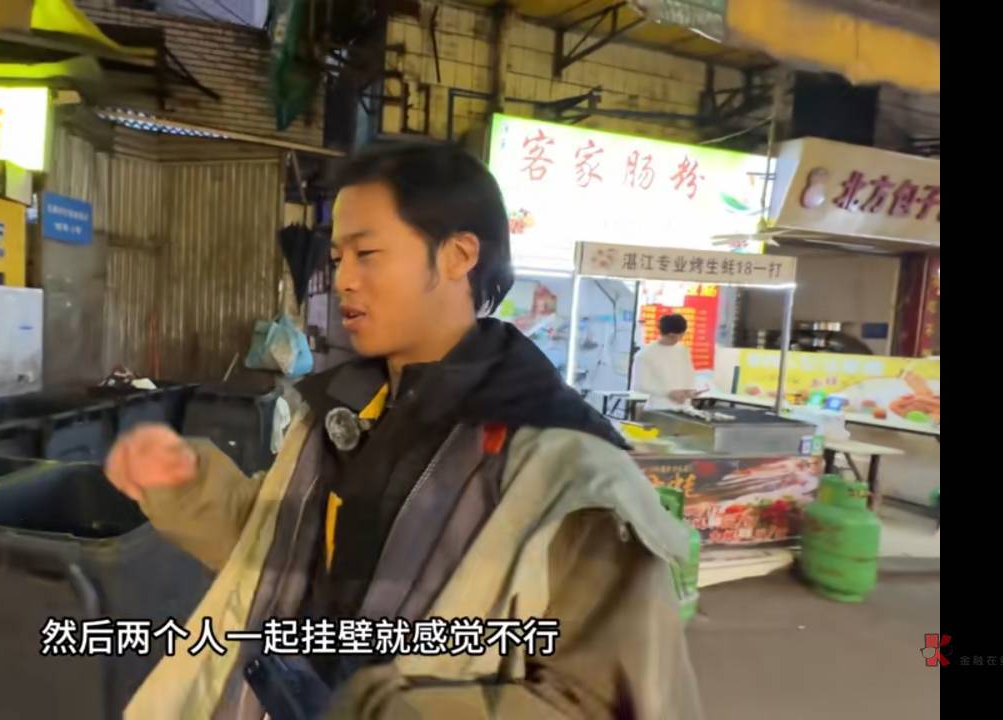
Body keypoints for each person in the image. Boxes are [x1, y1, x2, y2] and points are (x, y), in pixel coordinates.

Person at [105, 144, 702, 719]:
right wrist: (187, 484)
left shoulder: (570, 473)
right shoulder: (341, 413)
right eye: (338, 258)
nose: (343, 279)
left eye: (367, 254)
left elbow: (607, 702)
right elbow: (274, 557)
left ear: (458, 255)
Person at [633, 313, 700, 411]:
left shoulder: (683, 351)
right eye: (672, 336)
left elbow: (689, 377)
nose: (677, 339)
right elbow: (639, 386)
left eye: (680, 335)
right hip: (659, 409)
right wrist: (668, 393)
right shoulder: (645, 354)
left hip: (685, 408)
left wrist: (690, 391)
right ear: (662, 333)